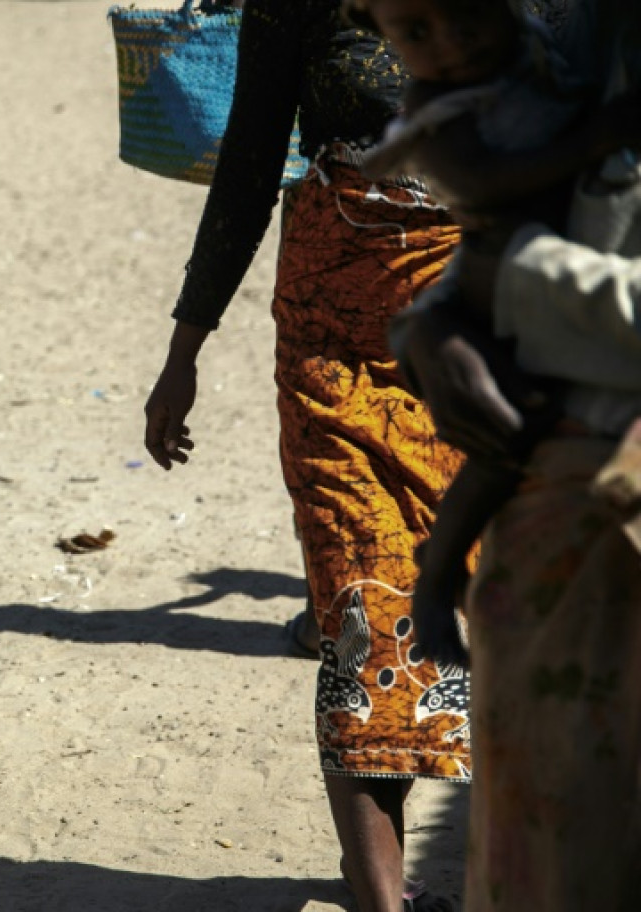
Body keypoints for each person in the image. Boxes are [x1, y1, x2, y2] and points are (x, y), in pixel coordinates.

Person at [140, 0, 565, 907]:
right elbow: (251, 162)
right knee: (360, 603)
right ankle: (378, 894)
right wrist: (185, 350)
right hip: (333, 344)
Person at [396, 0, 641, 904]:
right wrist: (433, 326)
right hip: (553, 514)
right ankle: (434, 576)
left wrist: (516, 289)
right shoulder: (589, 41)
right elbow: (505, 209)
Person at [350, 0, 641, 666]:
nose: (453, 41)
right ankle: (440, 572)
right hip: (563, 393)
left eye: (467, 18)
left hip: (576, 372)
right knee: (507, 445)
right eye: (418, 32)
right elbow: (484, 193)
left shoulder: (536, 51)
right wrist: (440, 322)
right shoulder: (562, 45)